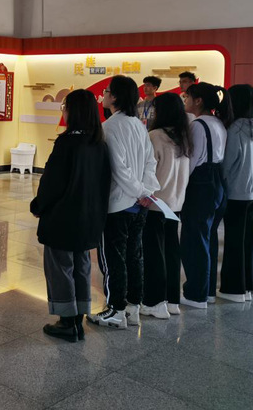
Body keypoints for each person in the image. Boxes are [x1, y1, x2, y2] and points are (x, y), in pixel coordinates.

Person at [31, 90, 111, 343]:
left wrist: (38, 205)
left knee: (60, 267)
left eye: (64, 107)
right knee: (82, 265)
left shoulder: (66, 143)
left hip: (63, 218)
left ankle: (66, 322)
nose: (63, 111)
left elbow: (52, 183)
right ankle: (78, 318)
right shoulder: (99, 143)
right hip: (89, 218)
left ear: (73, 112)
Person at [90, 76, 159, 329]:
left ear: (115, 97)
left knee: (113, 259)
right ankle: (133, 306)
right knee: (134, 256)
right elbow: (151, 162)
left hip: (118, 205)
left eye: (107, 91)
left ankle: (116, 309)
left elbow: (119, 169)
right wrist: (146, 191)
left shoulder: (109, 127)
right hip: (140, 205)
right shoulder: (138, 125)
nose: (104, 95)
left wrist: (140, 191)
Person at [179, 83, 232, 308]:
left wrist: (180, 187)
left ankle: (196, 294)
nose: (185, 100)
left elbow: (191, 161)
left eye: (187, 96)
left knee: (194, 239)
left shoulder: (198, 125)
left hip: (201, 183)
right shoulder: (218, 122)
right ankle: (207, 291)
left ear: (198, 100)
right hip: (217, 181)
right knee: (206, 237)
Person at [142, 93, 191, 318]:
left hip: (156, 203)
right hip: (176, 203)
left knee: (154, 253)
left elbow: (149, 171)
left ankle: (154, 301)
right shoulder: (184, 136)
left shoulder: (155, 136)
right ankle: (172, 300)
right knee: (172, 251)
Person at [213, 85, 253, 303]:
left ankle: (233, 289)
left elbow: (227, 164)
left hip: (237, 192)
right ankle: (246, 287)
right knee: (247, 242)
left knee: (234, 242)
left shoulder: (235, 129)